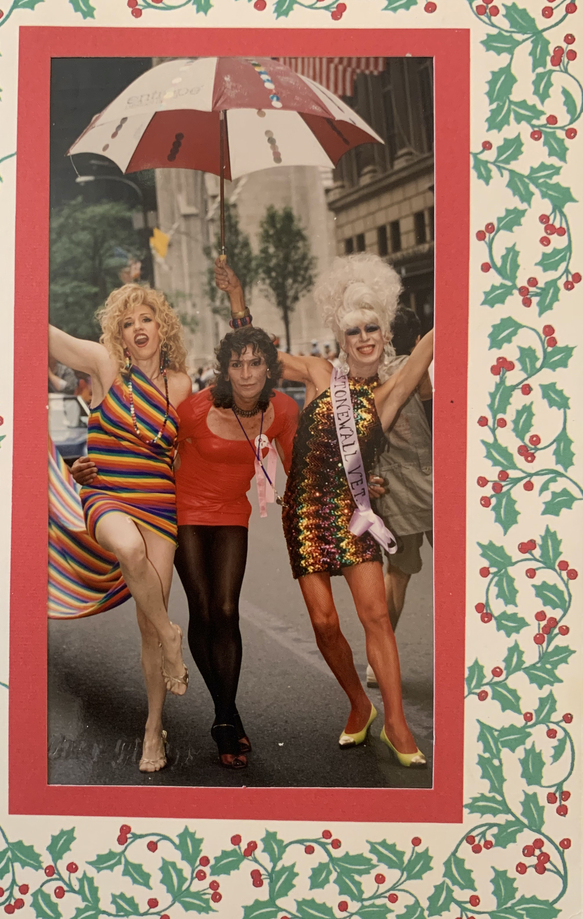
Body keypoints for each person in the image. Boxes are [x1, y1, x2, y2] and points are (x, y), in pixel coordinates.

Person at [216, 254, 432, 768]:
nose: (363, 338)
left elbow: (434, 342)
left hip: (353, 513)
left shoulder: (388, 393)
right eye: (353, 329)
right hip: (306, 514)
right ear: (341, 333)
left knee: (375, 615)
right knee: (324, 622)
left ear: (384, 330)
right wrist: (237, 297)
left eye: (372, 327)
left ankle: (395, 721)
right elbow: (262, 351)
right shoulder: (319, 373)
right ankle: (360, 704)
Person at [73, 324, 300, 770]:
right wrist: (94, 469)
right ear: (225, 371)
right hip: (186, 510)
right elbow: (149, 449)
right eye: (237, 365)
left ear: (270, 368)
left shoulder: (285, 410)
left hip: (233, 512)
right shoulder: (195, 408)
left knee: (228, 610)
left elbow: (296, 465)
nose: (247, 373)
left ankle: (223, 712)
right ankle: (226, 718)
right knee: (203, 609)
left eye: (256, 363)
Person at [48, 283, 192, 774]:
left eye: (145, 319)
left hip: (158, 501)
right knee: (128, 550)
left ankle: (154, 729)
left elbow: (183, 453)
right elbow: (47, 337)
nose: (137, 329)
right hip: (106, 493)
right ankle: (176, 639)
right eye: (127, 323)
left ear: (161, 325)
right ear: (119, 334)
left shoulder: (182, 384)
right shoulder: (106, 366)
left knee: (147, 628)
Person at [367, 305, 433, 687]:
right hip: (438, 487)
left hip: (395, 491)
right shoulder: (423, 370)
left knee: (399, 575)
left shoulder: (377, 377)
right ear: (419, 339)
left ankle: (378, 661)